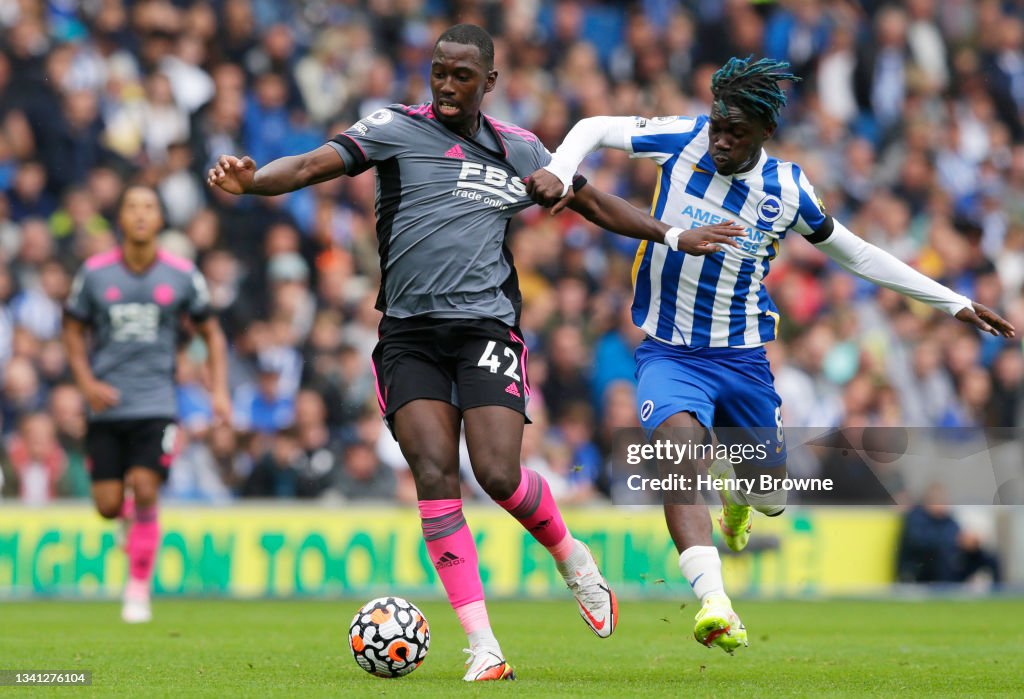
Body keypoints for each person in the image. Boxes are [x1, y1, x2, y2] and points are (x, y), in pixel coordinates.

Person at [208, 24, 743, 682]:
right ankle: (484, 645)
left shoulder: (520, 149)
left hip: (486, 330)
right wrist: (256, 180)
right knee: (435, 473)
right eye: (439, 72)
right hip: (408, 334)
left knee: (496, 473)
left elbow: (594, 202)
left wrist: (675, 234)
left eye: (463, 75)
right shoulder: (393, 129)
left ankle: (571, 554)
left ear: (489, 82)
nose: (448, 85)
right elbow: (315, 163)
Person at [526, 56, 1016, 653]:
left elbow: (857, 255)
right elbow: (597, 126)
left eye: (736, 132)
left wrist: (953, 304)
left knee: (771, 494)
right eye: (717, 125)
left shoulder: (787, 189)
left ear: (765, 132)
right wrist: (559, 167)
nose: (721, 140)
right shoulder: (682, 139)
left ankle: (740, 498)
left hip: (742, 360)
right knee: (674, 460)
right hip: (669, 353)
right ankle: (715, 604)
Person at [63, 184, 231, 623]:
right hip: (106, 405)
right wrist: (85, 383)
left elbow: (212, 332)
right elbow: (72, 330)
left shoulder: (181, 274)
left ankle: (137, 587)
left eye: (149, 207)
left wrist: (218, 391)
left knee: (147, 487)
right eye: (132, 206)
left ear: (160, 219)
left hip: (156, 403)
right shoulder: (95, 274)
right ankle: (126, 525)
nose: (140, 214)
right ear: (120, 218)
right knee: (106, 505)